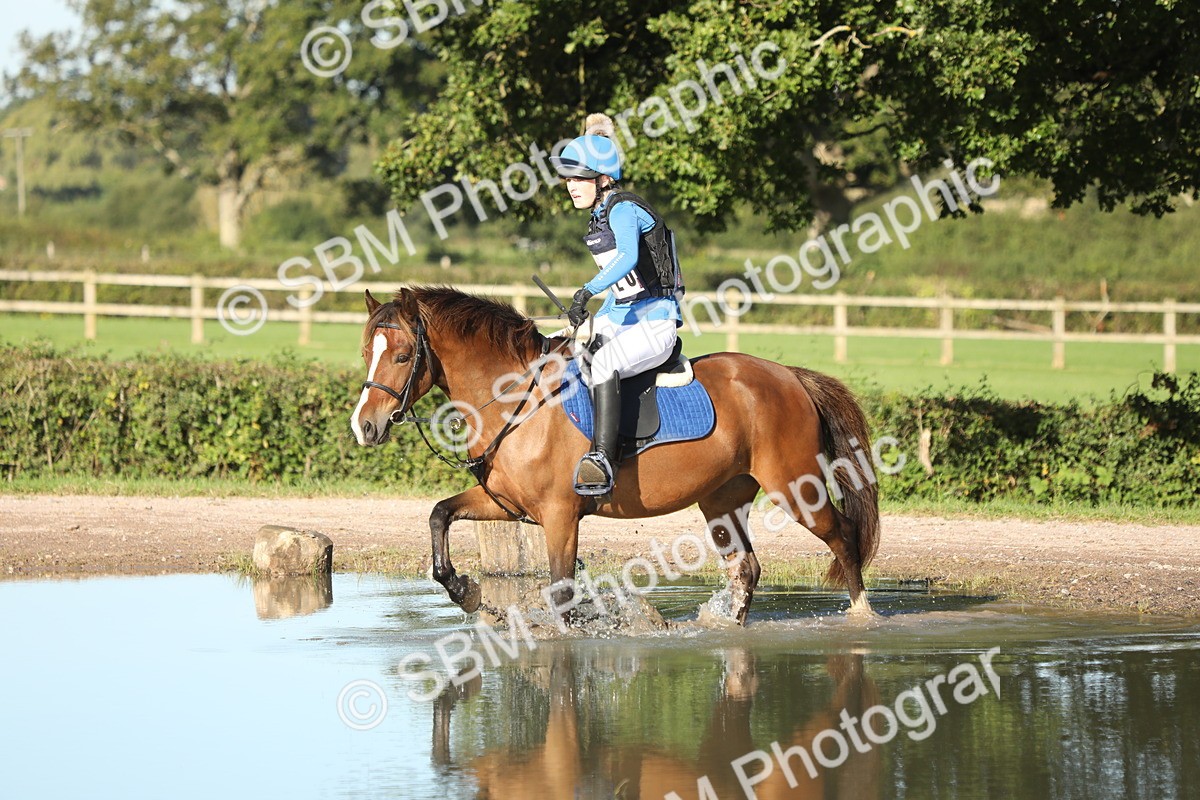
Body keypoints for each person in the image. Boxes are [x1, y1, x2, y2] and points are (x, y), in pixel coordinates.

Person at [550, 113, 684, 497]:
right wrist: (586, 322)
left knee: (603, 362)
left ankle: (603, 459)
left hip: (655, 324)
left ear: (603, 178)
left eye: (579, 178)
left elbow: (626, 259)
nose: (570, 186)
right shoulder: (599, 217)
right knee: (564, 348)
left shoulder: (624, 209)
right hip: (625, 320)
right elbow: (623, 291)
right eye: (568, 179)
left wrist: (585, 289)